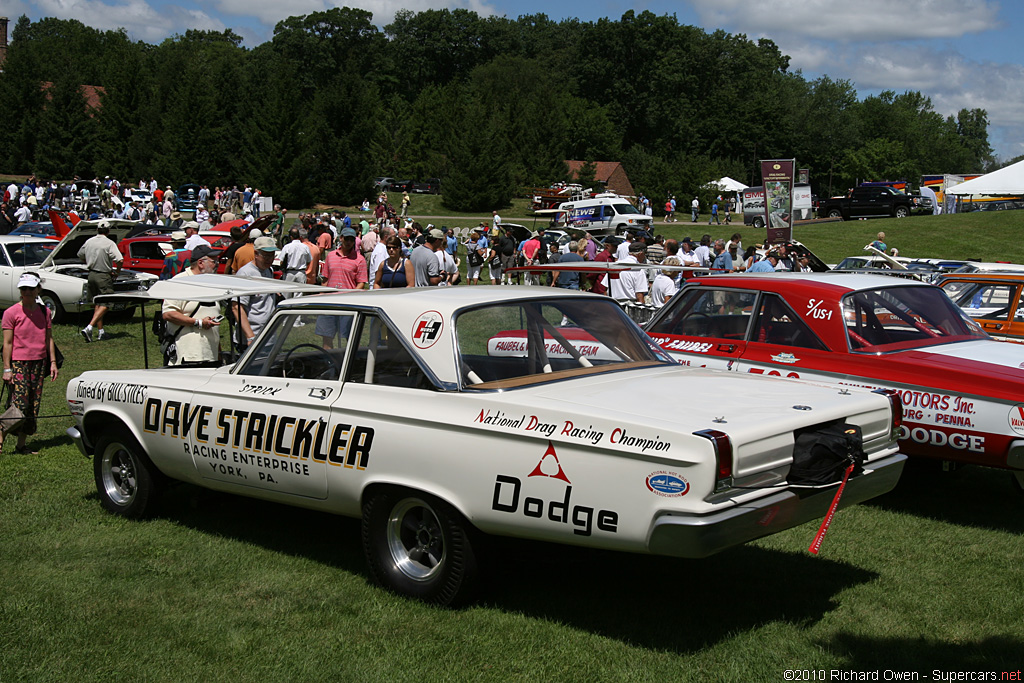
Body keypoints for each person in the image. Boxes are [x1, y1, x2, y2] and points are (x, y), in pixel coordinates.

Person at [2, 273, 59, 454]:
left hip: (39, 363)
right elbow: (7, 343)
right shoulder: (11, 313)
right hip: (19, 362)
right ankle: (2, 429)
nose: (26, 292)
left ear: (38, 290)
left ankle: (21, 445)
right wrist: (7, 368)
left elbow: (49, 339)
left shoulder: (45, 311)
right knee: (20, 403)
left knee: (33, 405)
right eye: (23, 288)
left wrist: (52, 362)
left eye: (30, 288)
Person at [161, 245, 222, 366]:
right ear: (200, 263)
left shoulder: (211, 283)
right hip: (188, 354)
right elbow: (168, 314)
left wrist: (218, 352)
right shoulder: (180, 282)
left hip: (211, 354)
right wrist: (198, 323)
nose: (217, 264)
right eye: (214, 261)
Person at [78, 222, 122, 342]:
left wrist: (89, 261)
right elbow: (119, 259)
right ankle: (89, 327)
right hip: (103, 275)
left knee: (98, 303)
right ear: (108, 231)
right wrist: (117, 272)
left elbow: (80, 254)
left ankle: (101, 332)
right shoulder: (109, 243)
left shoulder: (89, 241)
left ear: (97, 229)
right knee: (107, 303)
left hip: (91, 274)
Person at [232, 237, 279, 349]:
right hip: (251, 340)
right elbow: (237, 307)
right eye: (266, 256)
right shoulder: (246, 274)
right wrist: (250, 337)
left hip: (268, 336)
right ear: (256, 254)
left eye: (272, 255)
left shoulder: (269, 270)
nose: (269, 259)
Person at [279, 227, 312, 294]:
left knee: (286, 294)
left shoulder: (287, 247)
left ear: (291, 237)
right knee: (299, 295)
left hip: (289, 273)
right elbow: (309, 260)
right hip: (301, 273)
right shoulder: (305, 247)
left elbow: (281, 261)